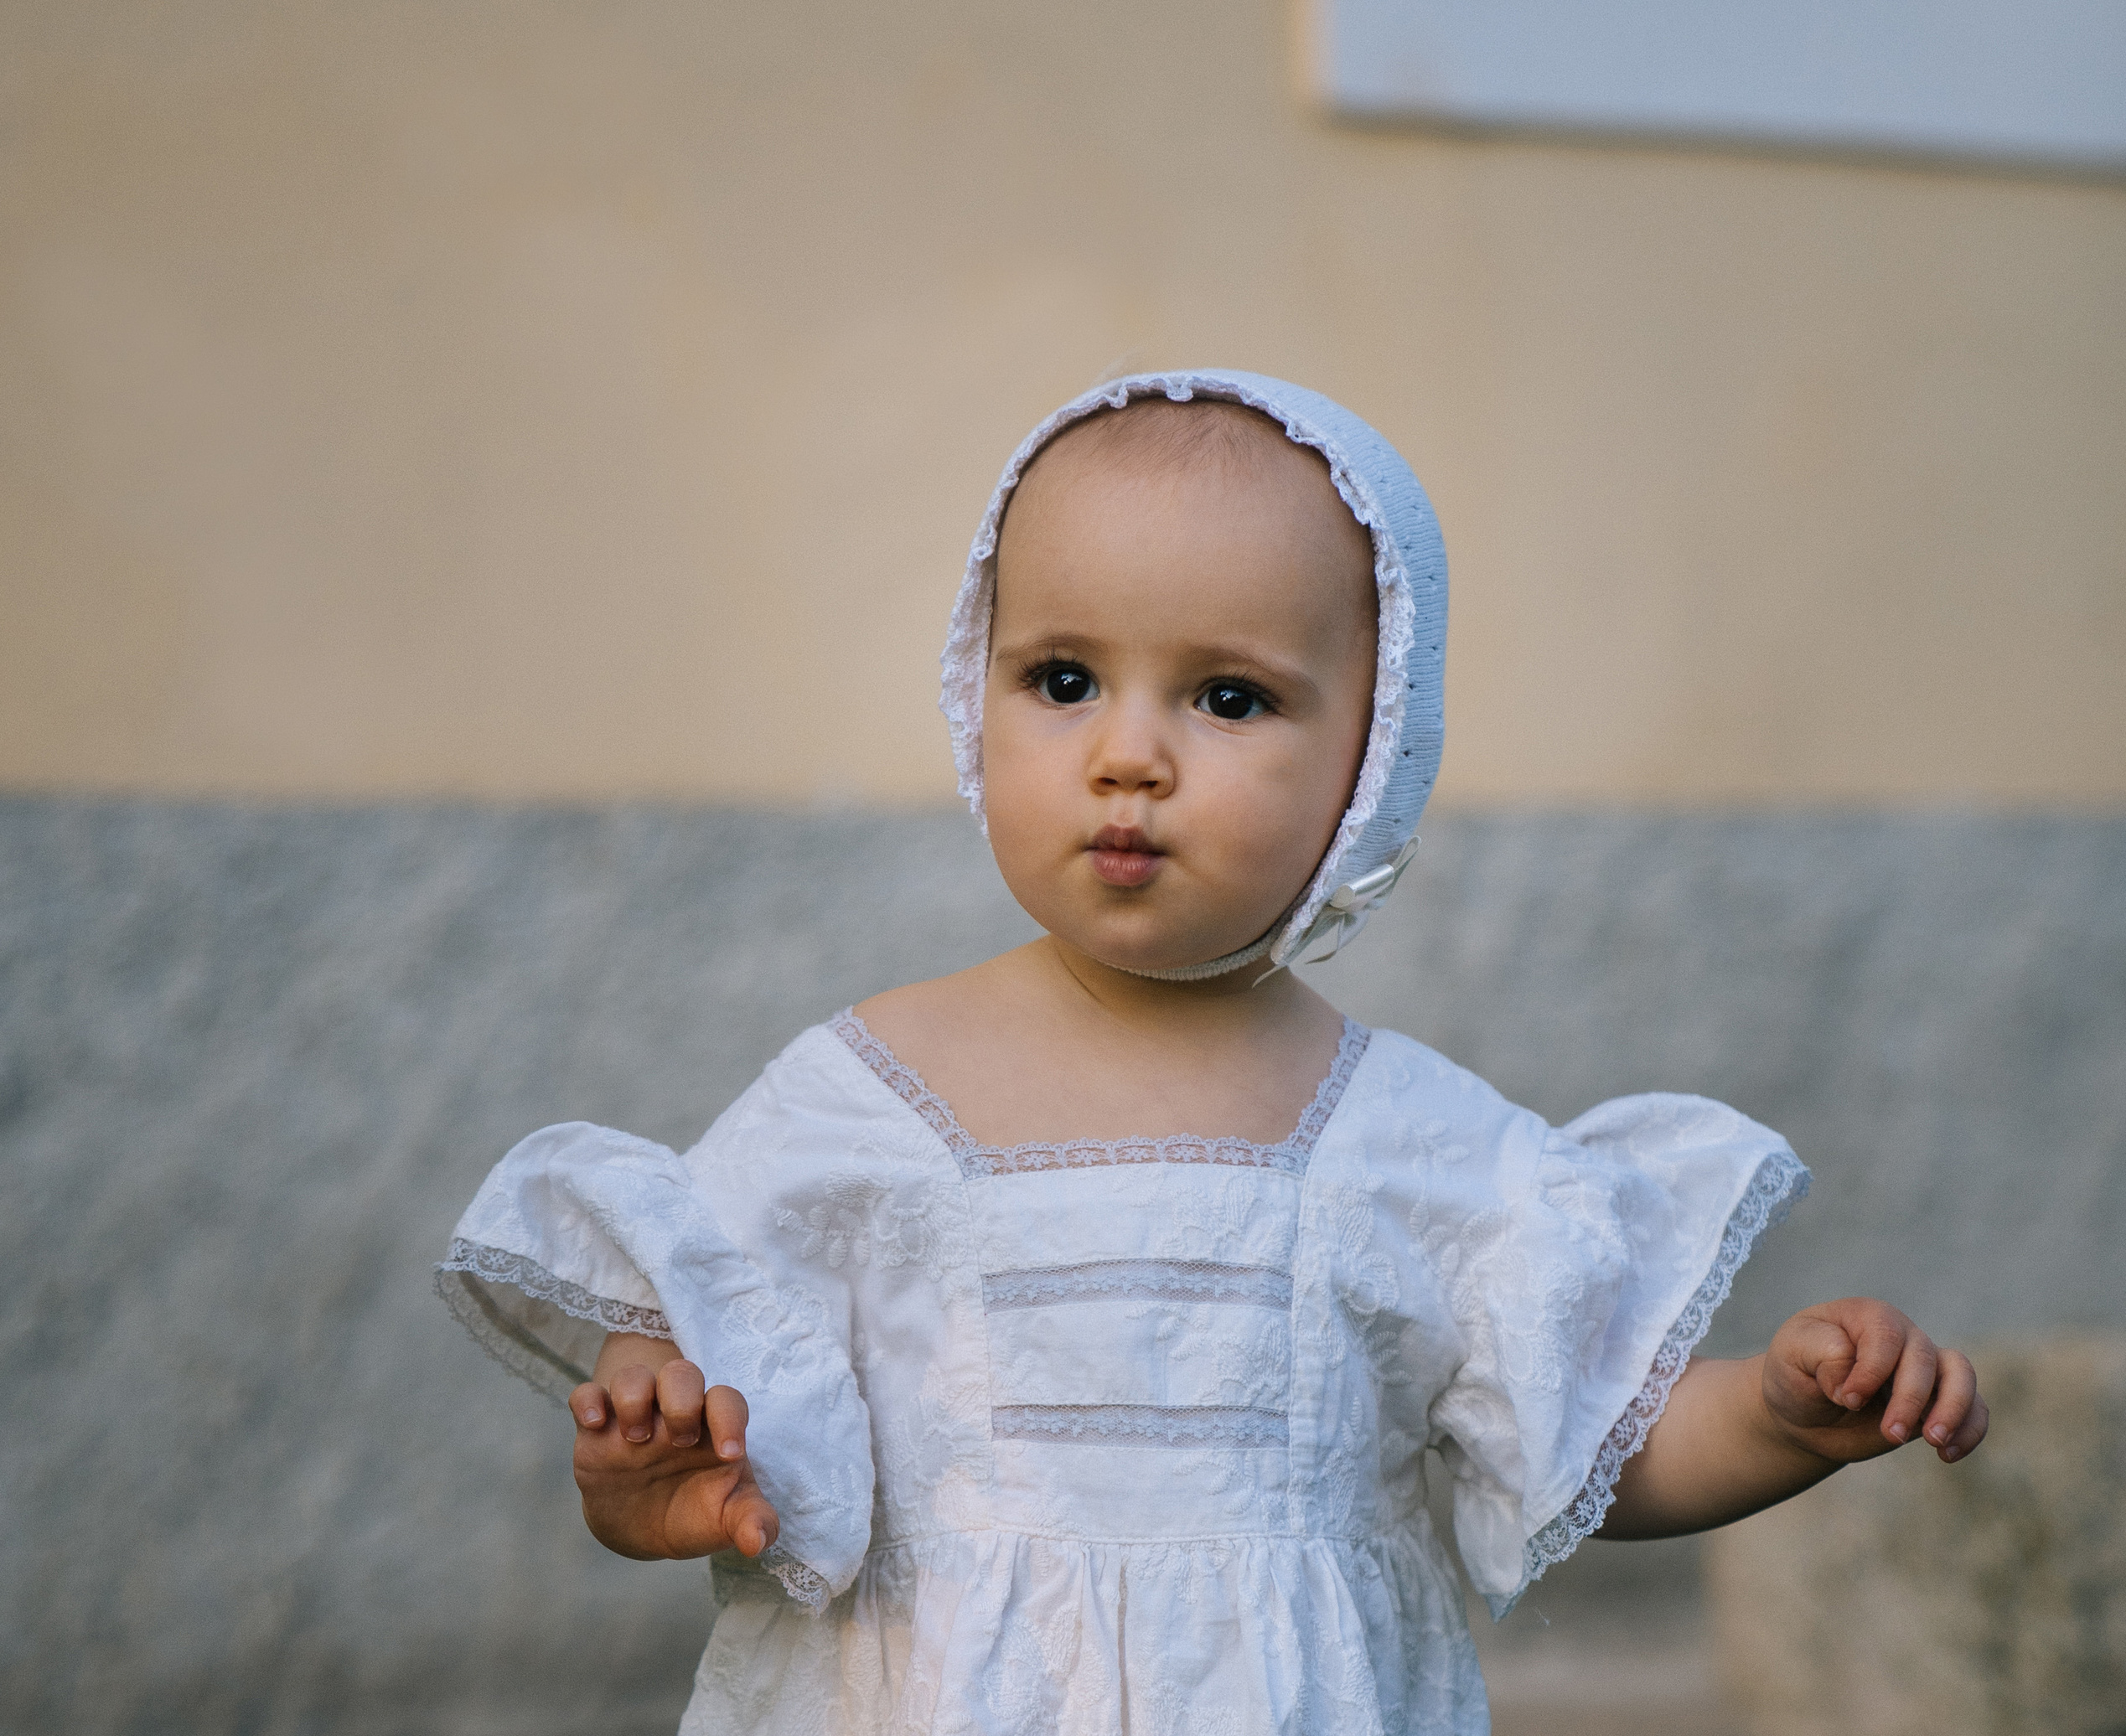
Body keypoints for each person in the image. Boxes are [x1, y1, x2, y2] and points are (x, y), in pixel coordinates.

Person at [438, 371, 1988, 1735]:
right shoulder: (862, 1100)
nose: (1128, 753)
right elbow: (698, 1347)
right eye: (1062, 680)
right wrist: (651, 1465)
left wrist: (1781, 1421)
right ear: (979, 699)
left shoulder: (1417, 1141)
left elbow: (1600, 1446)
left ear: (1371, 759)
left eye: (1228, 696)